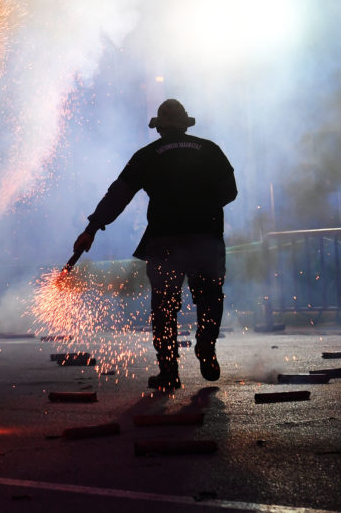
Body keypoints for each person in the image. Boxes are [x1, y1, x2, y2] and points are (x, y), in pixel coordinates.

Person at [73, 99, 237, 392]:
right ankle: (206, 347)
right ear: (186, 125)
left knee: (164, 306)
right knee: (210, 297)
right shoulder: (210, 150)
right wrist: (201, 209)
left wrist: (91, 229)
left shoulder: (147, 156)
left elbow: (118, 196)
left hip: (164, 240)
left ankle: (169, 371)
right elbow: (230, 192)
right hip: (206, 237)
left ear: (159, 128)